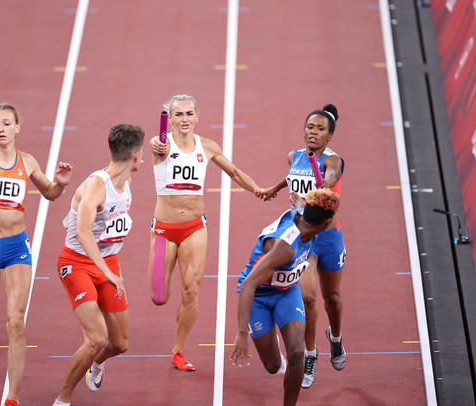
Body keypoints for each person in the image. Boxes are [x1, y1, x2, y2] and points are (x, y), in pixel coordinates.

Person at [0, 103, 72, 406]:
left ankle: (13, 398)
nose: (2, 129)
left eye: (7, 123)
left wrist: (59, 183)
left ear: (18, 127)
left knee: (16, 322)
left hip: (17, 248)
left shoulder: (27, 161)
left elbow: (50, 194)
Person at [148, 94, 262, 371]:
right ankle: (175, 320)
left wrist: (258, 189)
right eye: (178, 115)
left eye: (189, 114)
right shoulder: (161, 144)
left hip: (194, 229)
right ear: (170, 119)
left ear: (197, 117)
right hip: (164, 230)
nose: (184, 119)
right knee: (159, 297)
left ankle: (178, 350)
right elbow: (157, 146)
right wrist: (156, 143)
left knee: (190, 292)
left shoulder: (207, 147)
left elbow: (234, 172)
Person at [51, 123, 144, 406]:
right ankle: (63, 399)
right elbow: (82, 231)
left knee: (119, 344)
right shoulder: (96, 186)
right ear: (136, 157)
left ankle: (97, 364)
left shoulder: (125, 179)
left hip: (109, 262)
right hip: (77, 263)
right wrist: (106, 272)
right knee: (96, 339)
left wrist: (108, 268)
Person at [261, 104, 346, 388]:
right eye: (310, 127)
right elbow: (293, 178)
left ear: (329, 135)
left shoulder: (333, 162)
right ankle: (310, 354)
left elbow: (330, 178)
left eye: (321, 129)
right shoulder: (294, 156)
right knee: (308, 298)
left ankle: (335, 337)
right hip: (304, 238)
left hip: (328, 237)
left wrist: (319, 191)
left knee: (331, 297)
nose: (314, 132)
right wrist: (275, 189)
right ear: (304, 129)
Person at [230, 188, 340, 406]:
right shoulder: (285, 248)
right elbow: (248, 285)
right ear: (326, 223)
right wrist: (242, 333)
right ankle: (270, 340)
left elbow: (302, 206)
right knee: (272, 366)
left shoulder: (304, 215)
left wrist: (303, 201)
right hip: (259, 296)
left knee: (297, 353)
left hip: (287, 292)